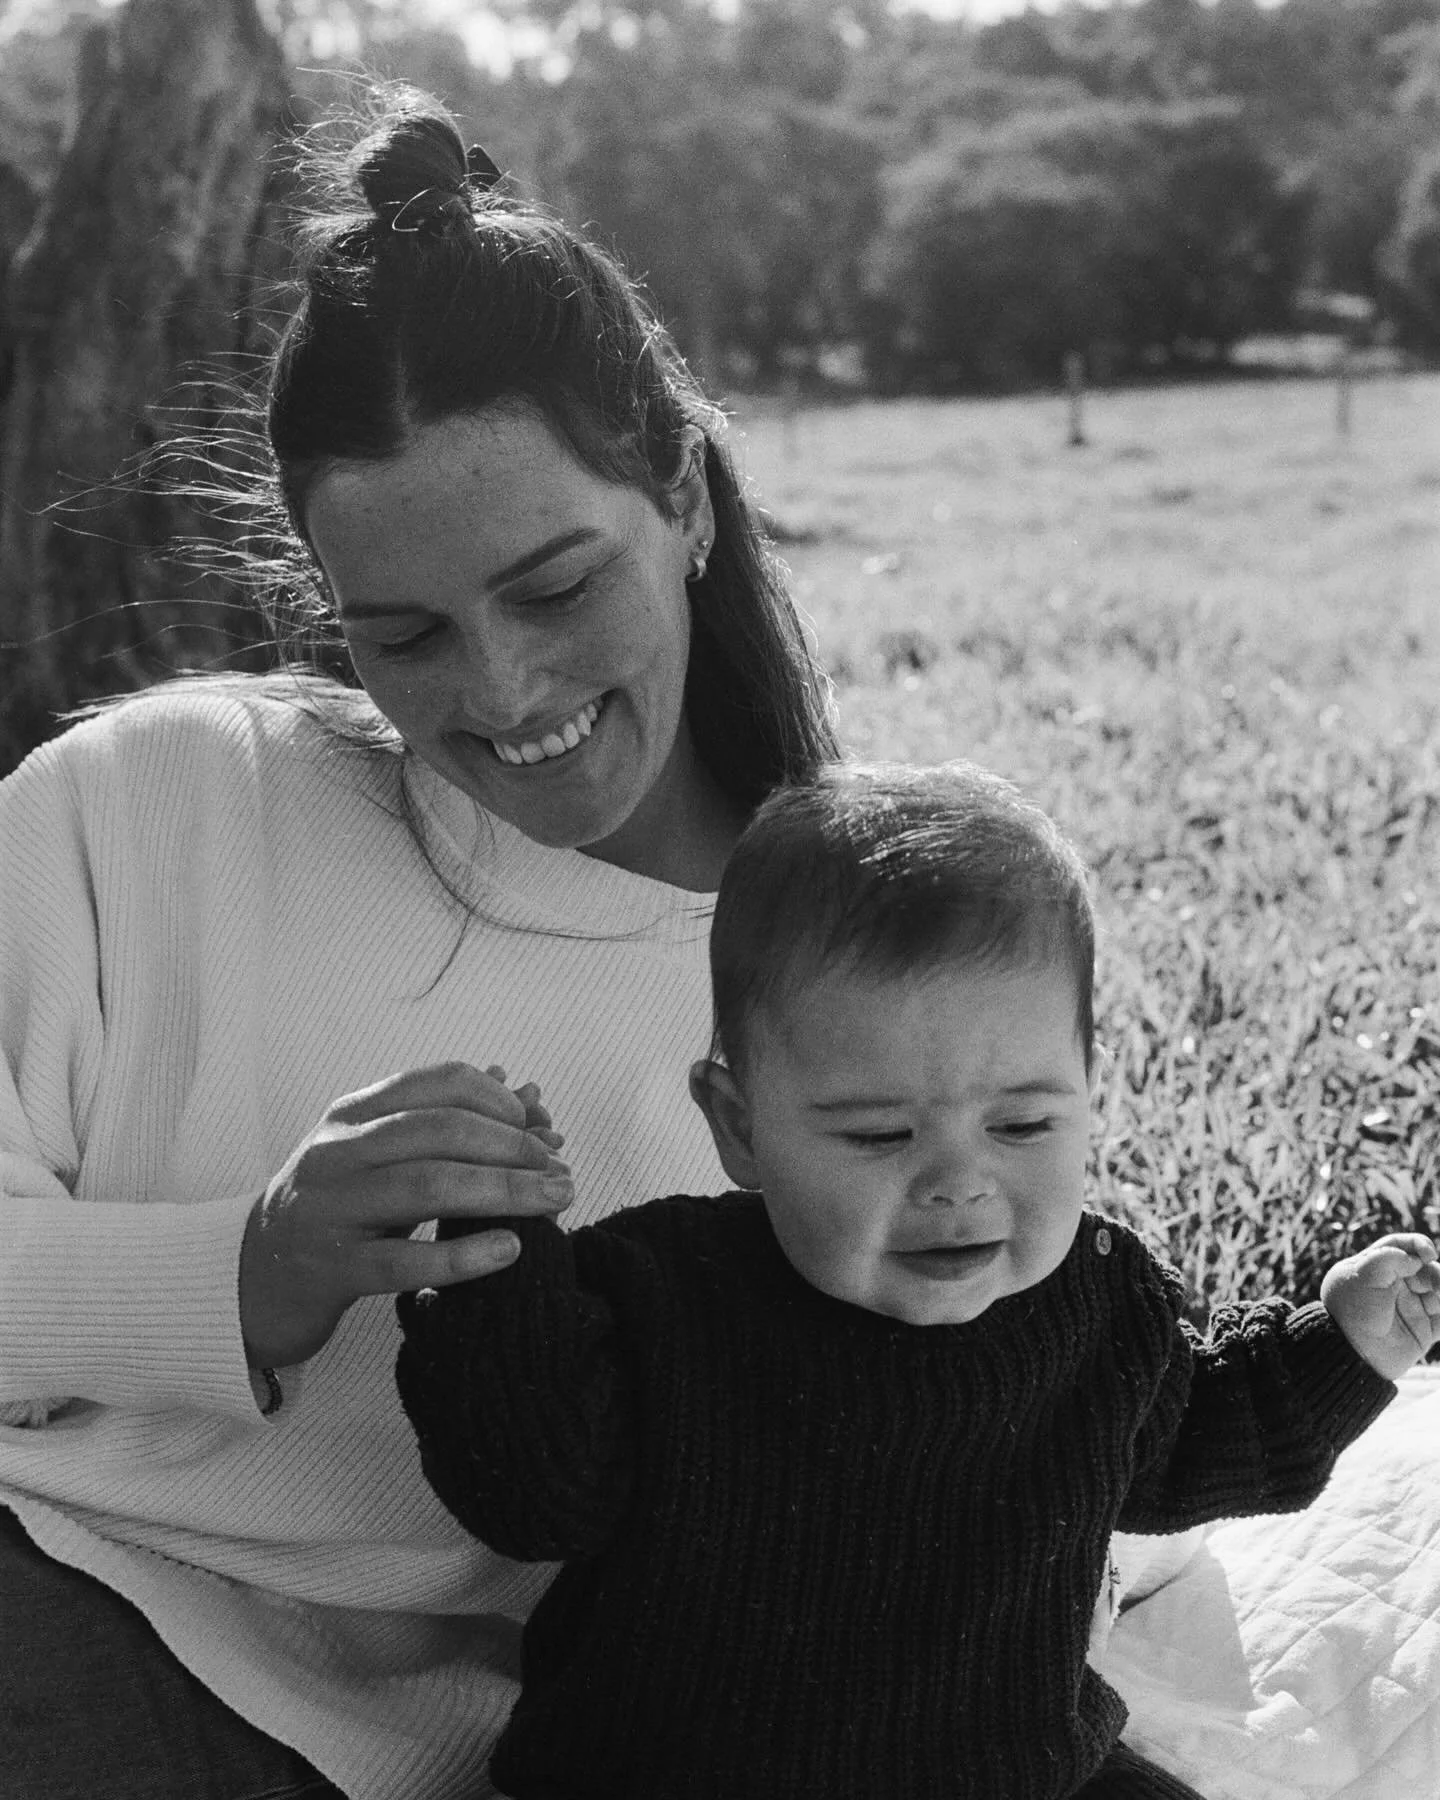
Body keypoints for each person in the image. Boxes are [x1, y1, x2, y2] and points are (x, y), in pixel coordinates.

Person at [0, 86, 836, 1800]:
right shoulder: (148, 804)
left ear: (682, 487)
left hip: (454, 1746)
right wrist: (252, 1265)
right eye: (402, 634)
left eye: (553, 589)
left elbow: (968, 1428)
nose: (502, 695)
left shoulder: (848, 977)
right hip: (55, 1586)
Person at [395, 761, 1440, 1800]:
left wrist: (1345, 1342)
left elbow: (1205, 1438)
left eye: (1023, 1123)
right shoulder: (666, 1294)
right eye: (879, 1133)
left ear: (1088, 1090)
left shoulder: (1099, 1304)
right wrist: (500, 1262)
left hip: (1009, 1767)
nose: (957, 1182)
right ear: (739, 1126)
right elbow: (534, 1493)